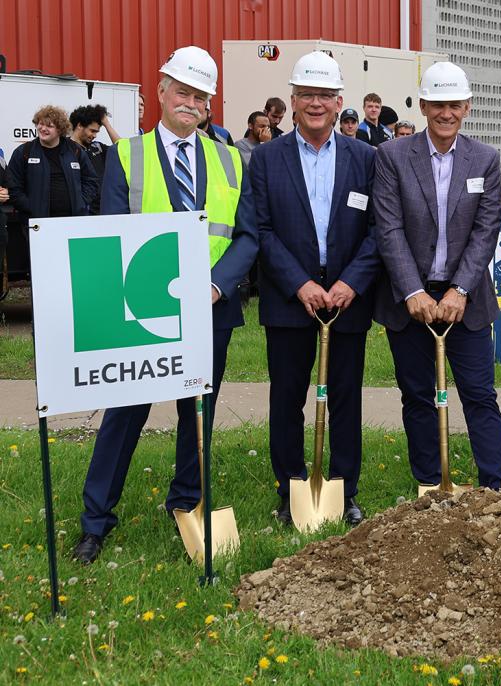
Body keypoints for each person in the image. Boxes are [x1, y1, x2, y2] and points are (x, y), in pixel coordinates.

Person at [71, 45, 258, 565]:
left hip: (211, 308)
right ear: (161, 90)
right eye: (183, 91)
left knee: (197, 412)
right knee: (124, 412)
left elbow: (246, 236)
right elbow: (113, 233)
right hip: (142, 311)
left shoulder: (229, 158)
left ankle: (187, 506)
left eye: (200, 96)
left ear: (209, 104)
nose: (190, 102)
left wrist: (217, 286)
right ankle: (95, 522)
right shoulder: (125, 155)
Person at [252, 51, 379, 527]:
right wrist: (299, 283)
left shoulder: (366, 158)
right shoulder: (266, 158)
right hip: (290, 301)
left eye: (325, 95)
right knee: (287, 398)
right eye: (307, 94)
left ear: (339, 100)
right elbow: (261, 230)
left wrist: (351, 281)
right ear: (293, 99)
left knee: (346, 396)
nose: (316, 103)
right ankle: (291, 490)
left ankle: (344, 491)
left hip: (348, 299)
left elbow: (378, 230)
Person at [374, 61, 501, 489]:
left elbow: (487, 230)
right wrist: (411, 289)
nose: (446, 113)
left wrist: (460, 290)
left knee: (479, 395)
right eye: (437, 104)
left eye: (454, 104)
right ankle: (430, 485)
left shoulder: (485, 158)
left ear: (467, 107)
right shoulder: (392, 156)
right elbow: (388, 226)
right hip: (410, 302)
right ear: (424, 104)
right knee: (418, 397)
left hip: (466, 304)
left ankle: (496, 486)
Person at [8, 105, 98, 222]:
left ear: (60, 130)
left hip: (73, 222)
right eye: (40, 124)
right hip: (37, 225)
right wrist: (31, 207)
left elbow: (91, 180)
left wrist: (80, 202)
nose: (43, 128)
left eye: (49, 126)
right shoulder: (24, 152)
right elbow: (12, 187)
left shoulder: (75, 150)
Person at [69, 104, 120, 214]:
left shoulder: (97, 147)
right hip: (79, 213)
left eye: (96, 132)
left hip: (101, 212)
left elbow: (122, 148)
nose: (94, 136)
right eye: (92, 131)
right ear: (79, 126)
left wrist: (106, 124)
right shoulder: (65, 149)